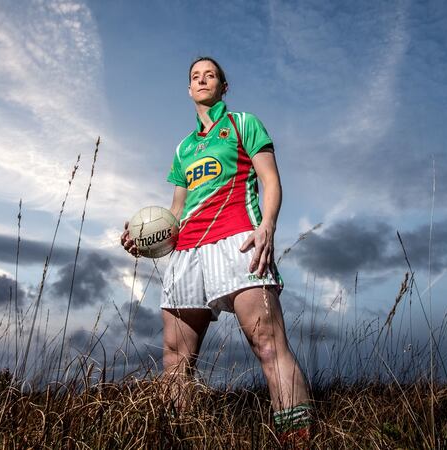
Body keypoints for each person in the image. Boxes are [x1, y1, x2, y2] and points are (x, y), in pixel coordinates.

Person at [121, 56, 312, 444]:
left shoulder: (243, 123)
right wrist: (145, 240)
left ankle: (298, 438)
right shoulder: (183, 148)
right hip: (187, 251)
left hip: (238, 240)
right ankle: (177, 438)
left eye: (210, 75)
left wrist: (268, 226)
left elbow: (270, 180)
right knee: (176, 358)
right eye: (196, 76)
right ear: (189, 89)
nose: (202, 79)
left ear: (224, 87)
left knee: (268, 343)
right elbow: (176, 211)